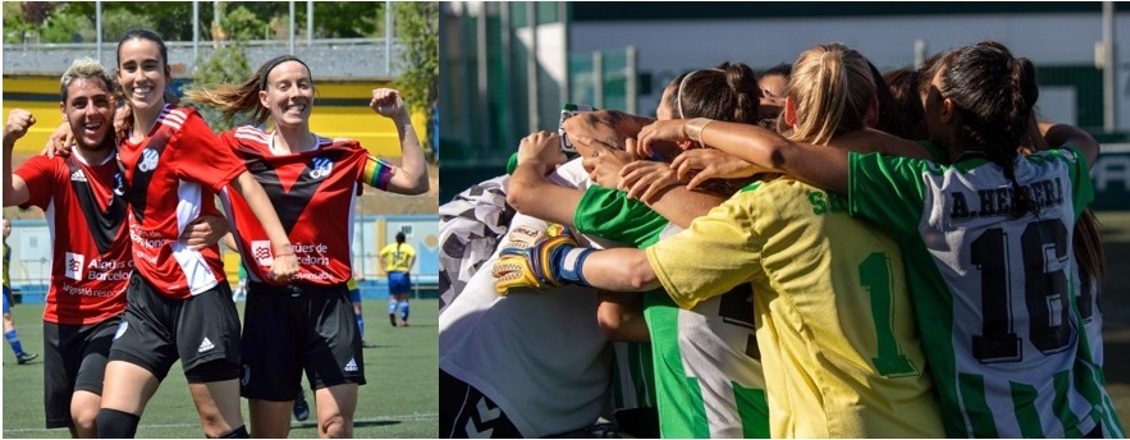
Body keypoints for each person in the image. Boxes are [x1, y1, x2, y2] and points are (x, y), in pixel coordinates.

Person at [626, 41, 1124, 438]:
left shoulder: (929, 192)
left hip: (988, 424)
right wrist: (1008, 121)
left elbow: (782, 155)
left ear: (947, 110)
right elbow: (1082, 140)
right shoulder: (1055, 176)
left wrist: (691, 126)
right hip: (1085, 417)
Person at [497, 43, 947, 438]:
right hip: (917, 419)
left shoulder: (751, 205)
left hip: (807, 423)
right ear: (872, 114)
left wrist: (551, 260)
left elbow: (633, 283)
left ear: (788, 113)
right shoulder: (911, 189)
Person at [506, 63, 770, 437]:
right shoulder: (772, 196)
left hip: (701, 423)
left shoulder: (643, 202)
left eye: (653, 127)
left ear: (679, 140)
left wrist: (528, 161)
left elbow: (527, 188)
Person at [183, 54, 428, 438]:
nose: (296, 93)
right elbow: (177, 156)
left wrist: (401, 118)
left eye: (303, 85)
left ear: (313, 93)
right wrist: (223, 226)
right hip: (269, 306)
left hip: (331, 305)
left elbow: (415, 181)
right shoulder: (237, 146)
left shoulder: (345, 155)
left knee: (334, 425)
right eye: (284, 86)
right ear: (265, 98)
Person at [84, 29, 299, 439]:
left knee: (219, 427)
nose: (140, 76)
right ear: (119, 76)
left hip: (197, 295)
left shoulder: (183, 127)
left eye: (150, 66)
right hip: (146, 297)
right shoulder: (121, 128)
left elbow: (242, 183)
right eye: (130, 68)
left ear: (166, 73)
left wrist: (281, 248)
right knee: (109, 422)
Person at [8, 57, 229, 437]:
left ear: (114, 103)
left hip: (121, 309)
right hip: (63, 316)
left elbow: (195, 178)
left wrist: (223, 222)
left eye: (100, 101)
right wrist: (7, 139)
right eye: (79, 105)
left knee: (90, 413)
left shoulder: (133, 151)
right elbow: (5, 191)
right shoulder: (52, 164)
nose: (91, 112)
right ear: (63, 110)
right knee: (82, 424)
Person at [1, 218, 37, 366]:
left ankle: (19, 354)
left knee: (7, 319)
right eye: (5, 226)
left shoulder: (7, 248)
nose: (8, 229)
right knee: (7, 318)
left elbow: (5, 272)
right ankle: (19, 354)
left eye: (9, 226)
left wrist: (8, 292)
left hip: (3, 288)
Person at [379, 231, 416, 327]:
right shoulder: (407, 247)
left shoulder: (391, 247)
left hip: (392, 274)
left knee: (394, 298)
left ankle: (391, 310)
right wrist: (409, 268)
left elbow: (380, 254)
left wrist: (384, 268)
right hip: (403, 274)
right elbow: (413, 255)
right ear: (404, 239)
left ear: (396, 239)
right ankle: (404, 321)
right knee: (404, 299)